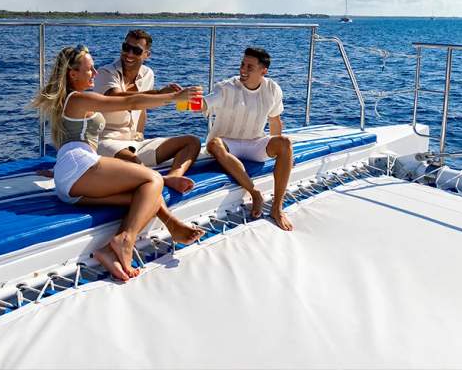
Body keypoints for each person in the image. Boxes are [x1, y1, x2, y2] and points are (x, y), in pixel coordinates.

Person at [30, 45, 204, 282]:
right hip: (79, 166)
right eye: (90, 69)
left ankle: (110, 250)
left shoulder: (69, 101)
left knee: (146, 197)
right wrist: (174, 97)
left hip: (71, 178)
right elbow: (130, 101)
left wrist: (58, 171)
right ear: (73, 74)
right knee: (152, 178)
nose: (94, 73)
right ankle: (126, 239)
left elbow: (68, 141)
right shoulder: (79, 98)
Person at [94, 29, 201, 193]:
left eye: (136, 51)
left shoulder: (148, 74)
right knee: (131, 159)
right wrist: (164, 95)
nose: (129, 54)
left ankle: (173, 176)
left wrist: (140, 136)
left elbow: (141, 109)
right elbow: (118, 98)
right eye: (126, 47)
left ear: (147, 55)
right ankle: (160, 179)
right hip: (105, 142)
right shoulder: (105, 72)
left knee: (192, 142)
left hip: (134, 142)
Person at [203, 47, 294, 231]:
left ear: (263, 71)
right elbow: (203, 104)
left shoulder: (272, 89)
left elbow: (275, 120)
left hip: (254, 144)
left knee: (285, 143)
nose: (243, 70)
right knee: (213, 144)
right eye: (242, 64)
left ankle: (277, 208)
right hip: (228, 144)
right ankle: (255, 193)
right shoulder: (226, 88)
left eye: (249, 67)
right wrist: (179, 99)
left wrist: (283, 157)